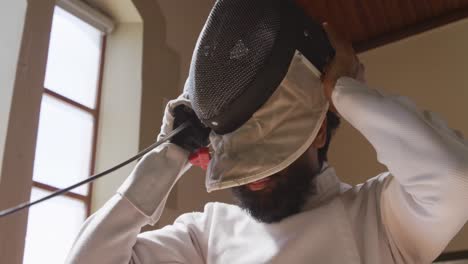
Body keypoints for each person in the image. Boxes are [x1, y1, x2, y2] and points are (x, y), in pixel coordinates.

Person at [66, 24, 468, 264]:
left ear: (319, 132)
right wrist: (170, 151)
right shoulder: (206, 234)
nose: (254, 173)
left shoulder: (380, 220)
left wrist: (343, 91)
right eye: (237, 144)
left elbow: (455, 180)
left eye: (270, 142)